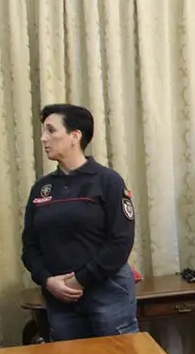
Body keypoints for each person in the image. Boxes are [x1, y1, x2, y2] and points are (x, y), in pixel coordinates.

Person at [21, 104, 137, 342]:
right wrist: (47, 280)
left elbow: (121, 243)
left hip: (107, 293)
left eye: (51, 131)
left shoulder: (108, 181)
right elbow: (30, 246)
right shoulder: (42, 188)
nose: (43, 138)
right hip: (60, 300)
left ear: (75, 136)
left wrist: (80, 279)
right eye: (43, 131)